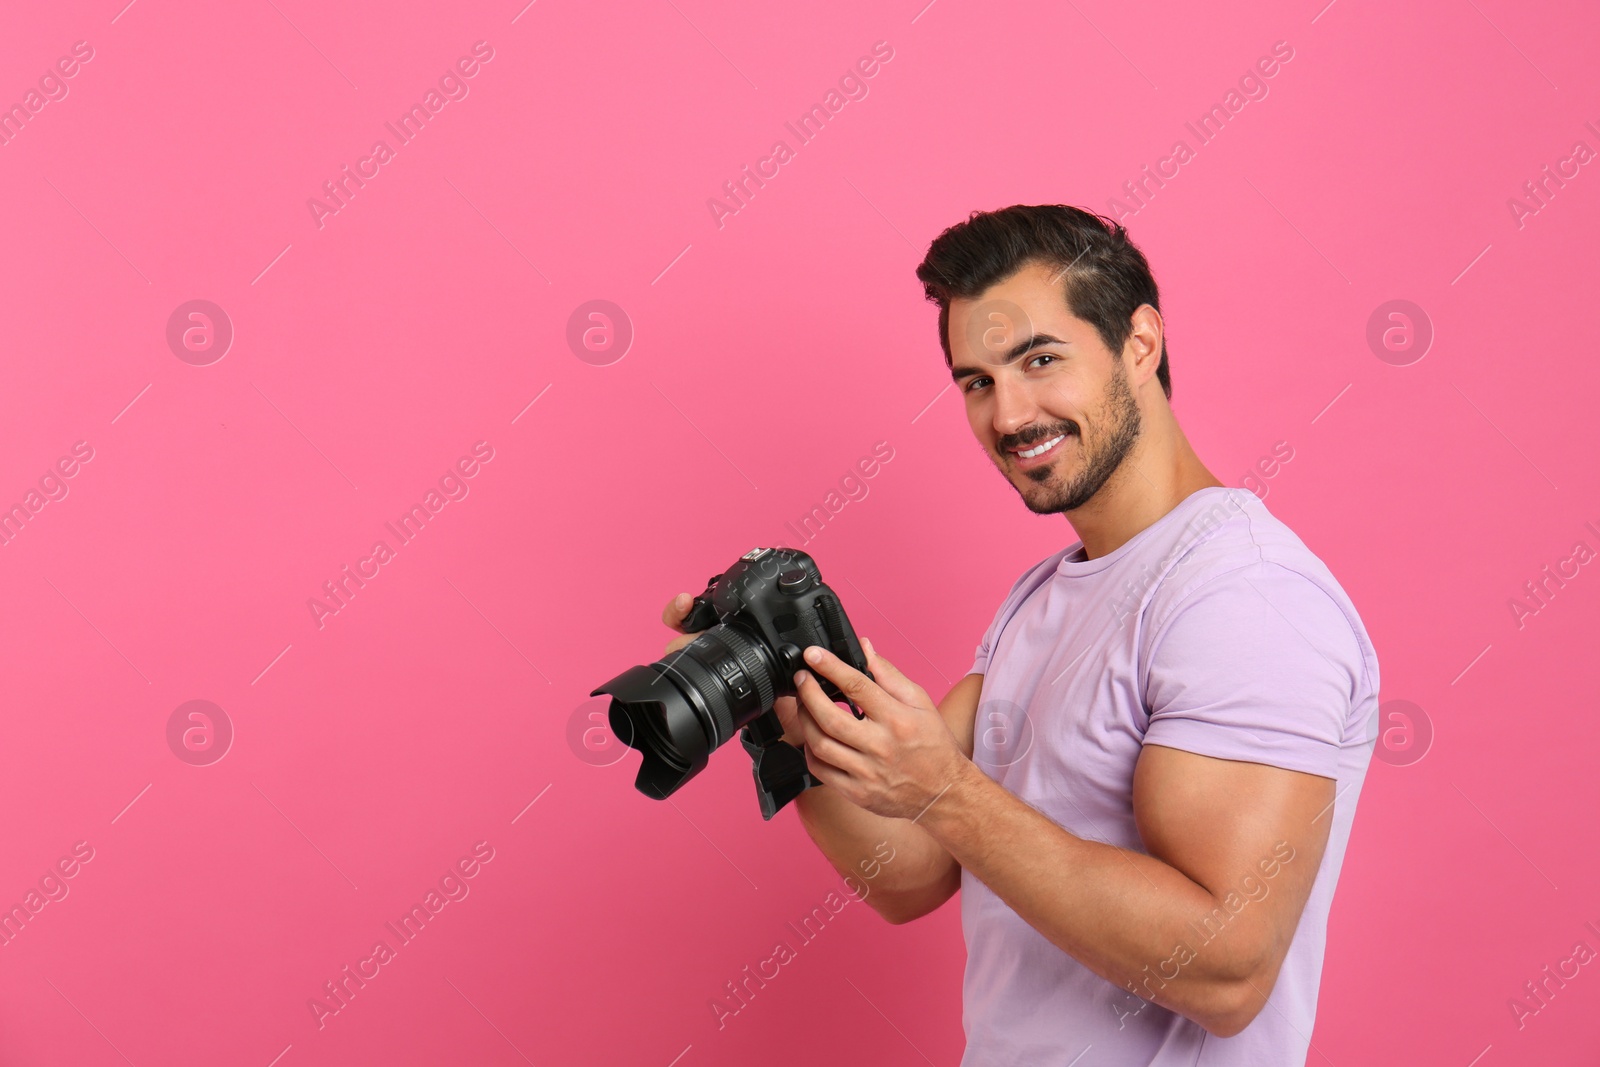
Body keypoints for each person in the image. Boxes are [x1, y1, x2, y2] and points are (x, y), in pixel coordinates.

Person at [661, 204, 1380, 1065]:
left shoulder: (1242, 594)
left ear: (1140, 342)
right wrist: (779, 711)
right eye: (977, 381)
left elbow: (1225, 967)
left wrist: (942, 790)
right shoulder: (1043, 596)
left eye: (1040, 360)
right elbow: (911, 872)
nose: (1009, 414)